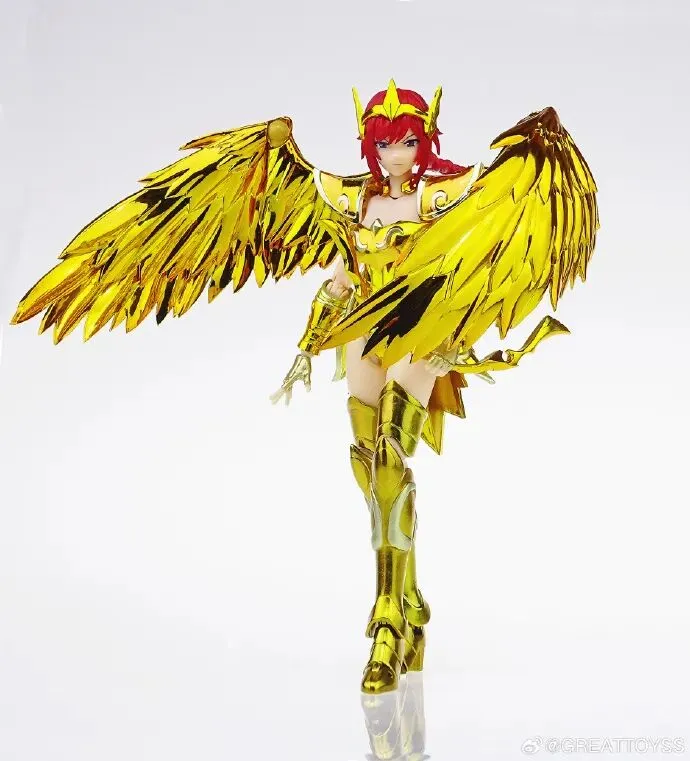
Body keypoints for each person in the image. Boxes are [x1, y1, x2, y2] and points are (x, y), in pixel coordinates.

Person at [10, 79, 599, 695]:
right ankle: (410, 599)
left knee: (391, 459)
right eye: (384, 143)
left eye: (406, 141)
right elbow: (341, 280)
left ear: (424, 139)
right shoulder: (349, 201)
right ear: (369, 145)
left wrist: (471, 310)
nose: (396, 154)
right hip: (361, 332)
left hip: (418, 333)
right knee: (369, 467)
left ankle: (387, 622)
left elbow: (477, 251)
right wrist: (308, 344)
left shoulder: (447, 197)